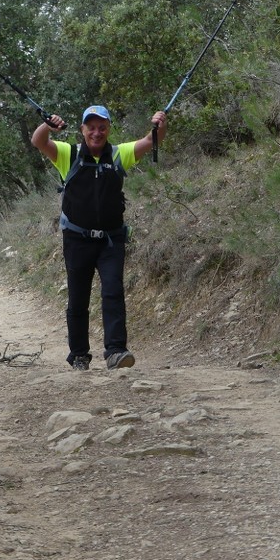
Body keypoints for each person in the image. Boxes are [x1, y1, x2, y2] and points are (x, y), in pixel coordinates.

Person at [31, 105, 167, 371]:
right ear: (82, 130)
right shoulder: (67, 154)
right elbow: (38, 141)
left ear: (108, 129)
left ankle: (116, 351)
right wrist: (48, 125)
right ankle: (79, 354)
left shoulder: (119, 154)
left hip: (111, 240)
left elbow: (153, 139)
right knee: (78, 298)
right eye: (91, 127)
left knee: (113, 292)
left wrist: (160, 123)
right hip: (76, 239)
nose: (96, 132)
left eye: (102, 127)